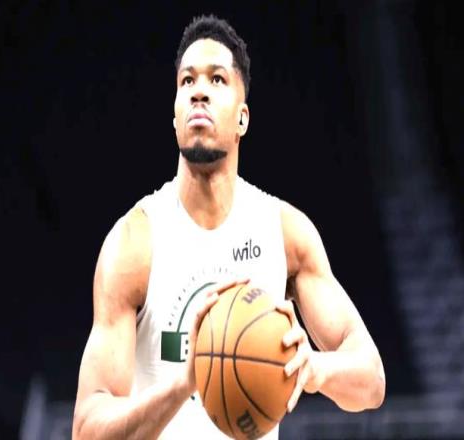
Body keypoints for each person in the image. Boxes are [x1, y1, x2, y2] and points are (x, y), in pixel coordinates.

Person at [72, 14, 385, 439]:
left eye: (217, 79)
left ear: (243, 118)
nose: (198, 91)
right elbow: (86, 430)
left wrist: (314, 368)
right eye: (187, 81)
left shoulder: (285, 233)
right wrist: (185, 383)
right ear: (175, 115)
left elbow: (371, 380)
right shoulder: (134, 243)